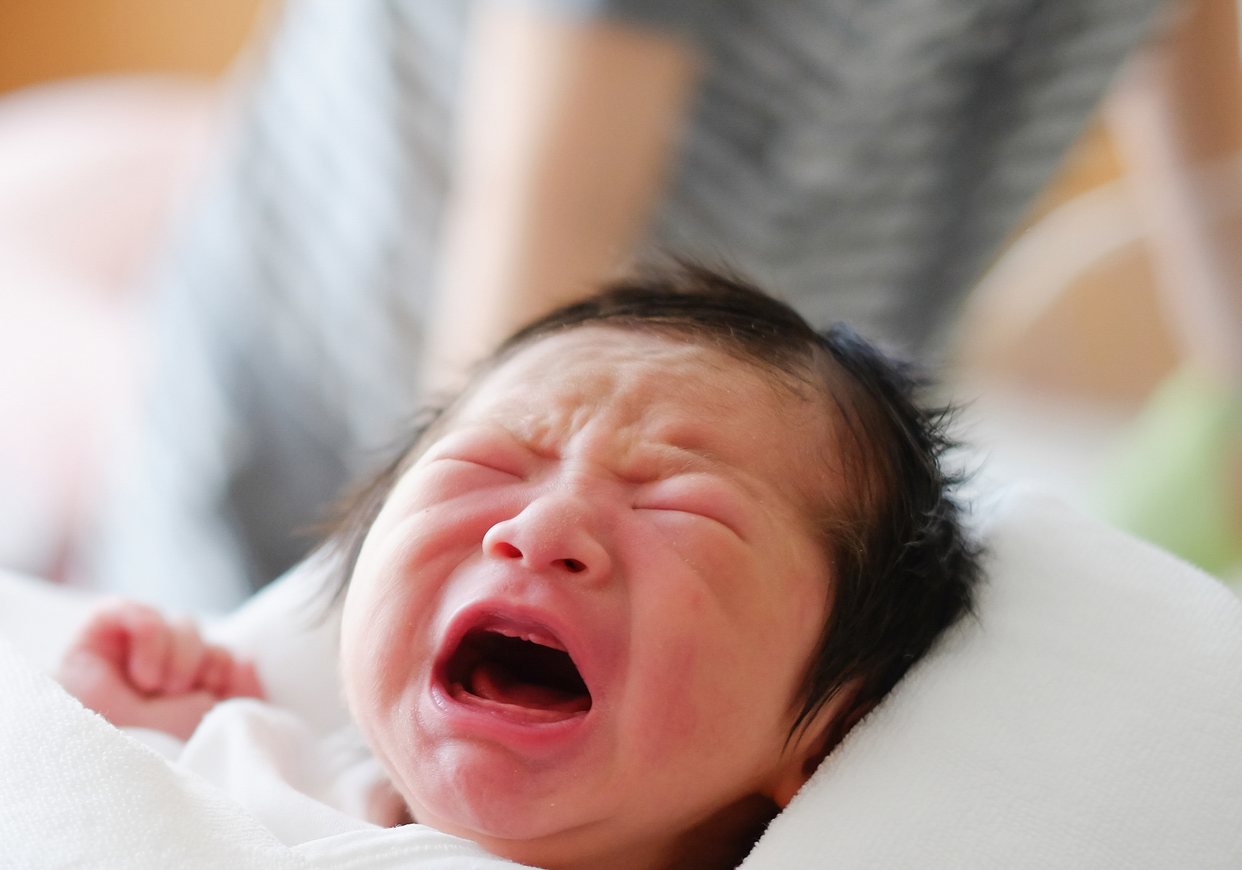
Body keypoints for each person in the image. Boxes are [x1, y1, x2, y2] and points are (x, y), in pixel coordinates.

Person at [91, 0, 1181, 612]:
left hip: (771, 414)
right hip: (389, 365)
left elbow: (1217, 174)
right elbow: (542, 214)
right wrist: (434, 592)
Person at [63, 267, 980, 870]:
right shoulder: (256, 767)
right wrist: (121, 734)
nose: (540, 529)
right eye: (493, 464)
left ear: (831, 732)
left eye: (681, 507)